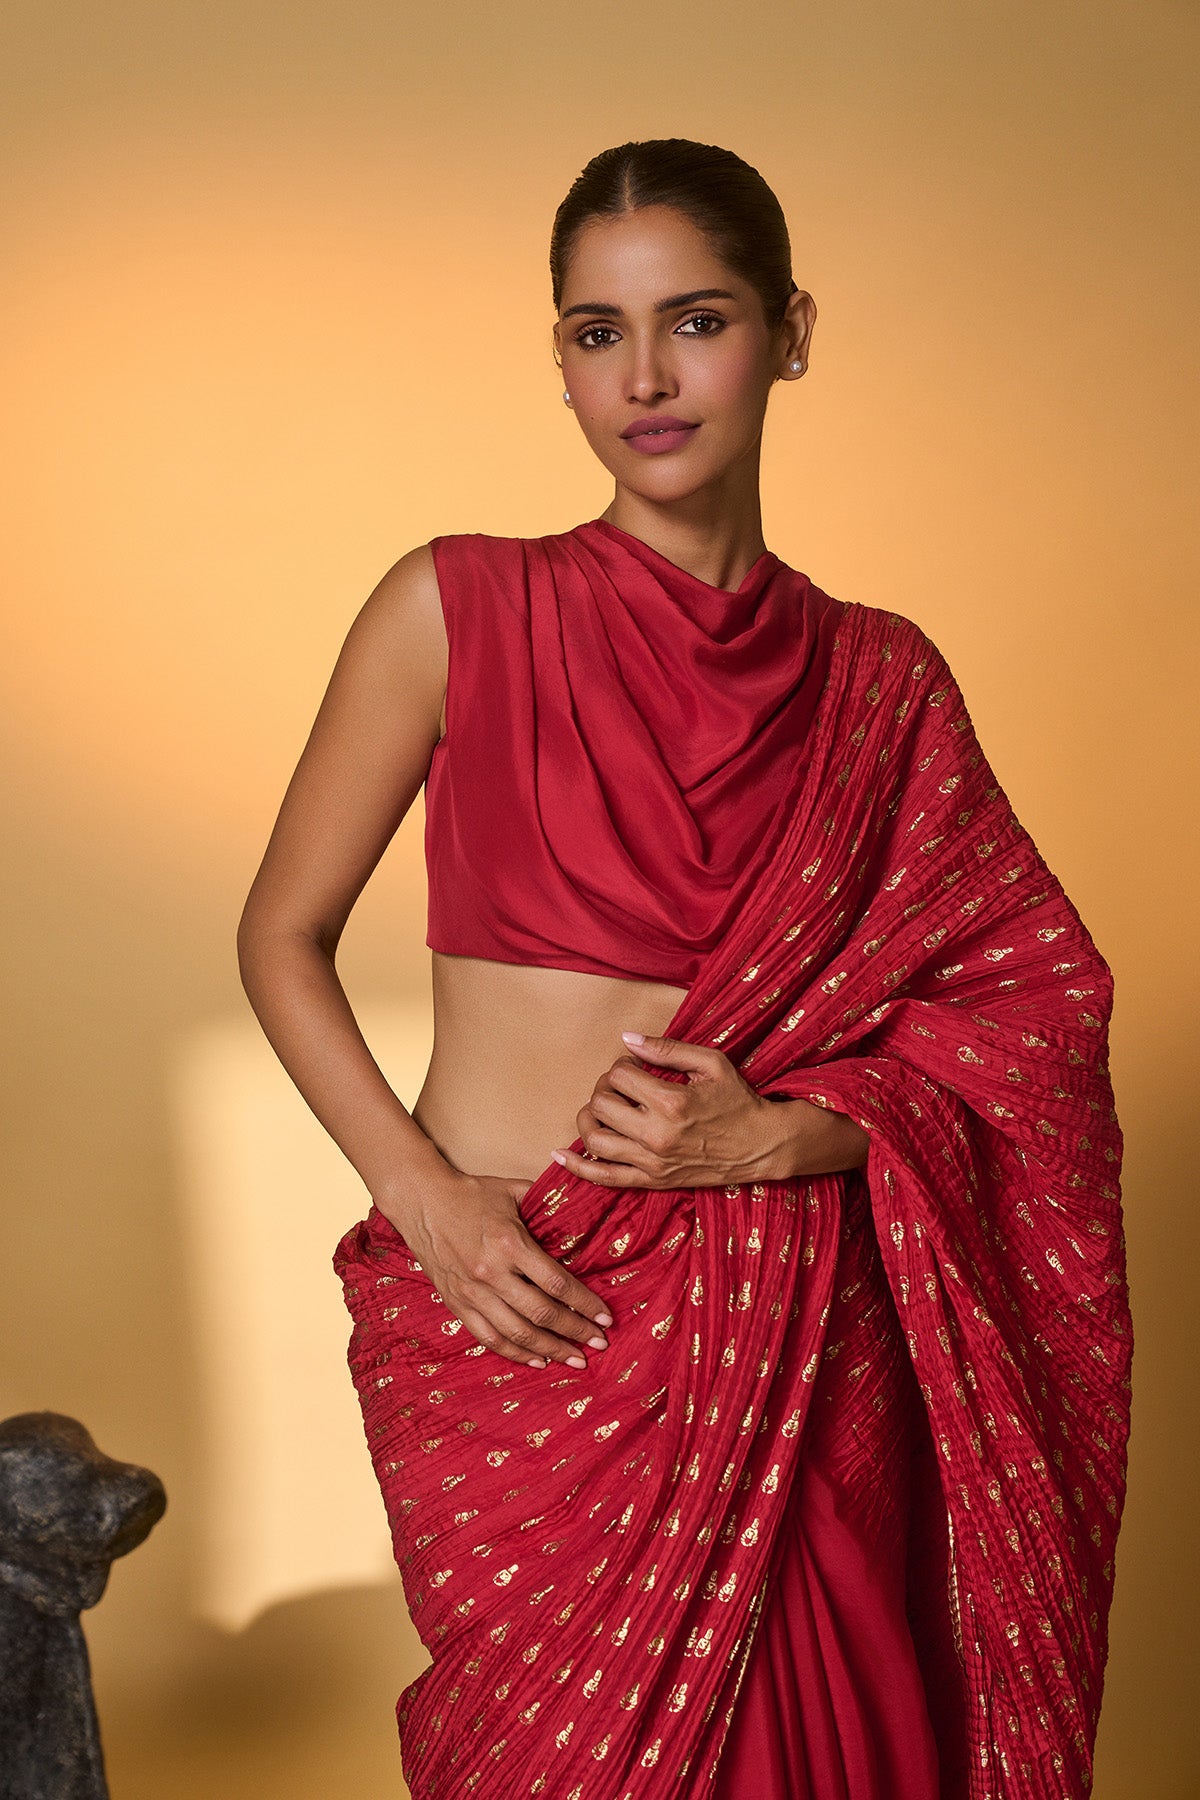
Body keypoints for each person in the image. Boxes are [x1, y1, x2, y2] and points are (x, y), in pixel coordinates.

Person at [237, 139, 1132, 1800]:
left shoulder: (881, 683)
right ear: (563, 358)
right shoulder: (455, 606)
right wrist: (427, 1202)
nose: (644, 379)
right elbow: (280, 936)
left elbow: (1028, 1024)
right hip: (523, 1316)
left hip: (792, 1328)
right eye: (599, 333)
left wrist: (796, 1136)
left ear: (790, 333)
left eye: (696, 321)